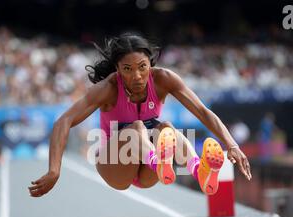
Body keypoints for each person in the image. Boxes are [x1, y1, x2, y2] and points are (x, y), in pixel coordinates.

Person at [28, 33, 252, 197]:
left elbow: (202, 111)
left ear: (150, 63)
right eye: (127, 69)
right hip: (115, 165)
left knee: (166, 128)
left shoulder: (164, 79)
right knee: (137, 127)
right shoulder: (108, 89)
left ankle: (199, 171)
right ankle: (159, 161)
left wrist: (231, 144)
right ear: (117, 69)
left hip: (149, 173)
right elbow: (63, 121)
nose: (136, 75)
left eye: (142, 67)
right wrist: (54, 170)